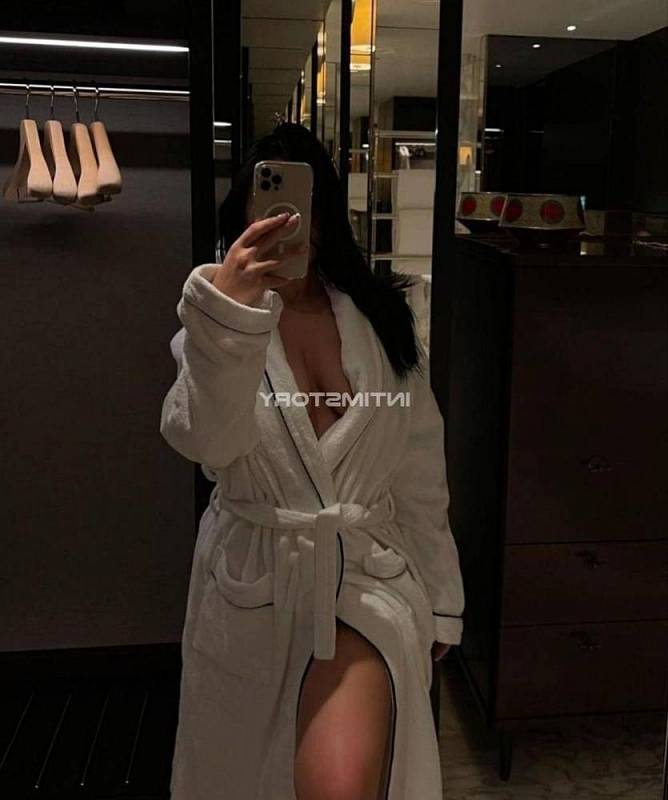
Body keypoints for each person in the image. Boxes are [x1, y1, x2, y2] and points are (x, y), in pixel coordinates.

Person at [160, 122, 465, 800]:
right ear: (244, 212)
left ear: (327, 214)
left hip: (364, 576)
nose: (289, 221)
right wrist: (231, 321)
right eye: (269, 201)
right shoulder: (212, 321)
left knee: (339, 784)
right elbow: (205, 443)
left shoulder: (380, 320)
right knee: (244, 777)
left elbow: (420, 471)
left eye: (305, 203)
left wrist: (443, 596)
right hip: (255, 584)